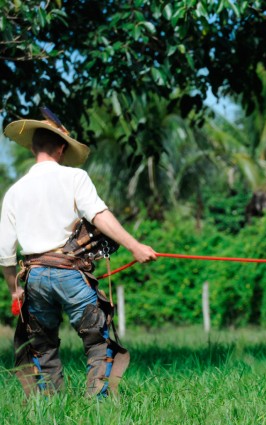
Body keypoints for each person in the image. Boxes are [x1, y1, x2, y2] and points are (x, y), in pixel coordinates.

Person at [0, 109, 157, 398]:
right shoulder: (74, 177)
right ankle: (98, 405)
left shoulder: (14, 192)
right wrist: (135, 247)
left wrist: (14, 289)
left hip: (34, 278)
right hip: (70, 275)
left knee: (43, 348)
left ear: (33, 147)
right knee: (99, 342)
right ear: (61, 147)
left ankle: (49, 408)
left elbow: (6, 255)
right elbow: (99, 216)